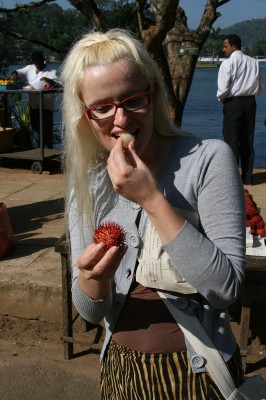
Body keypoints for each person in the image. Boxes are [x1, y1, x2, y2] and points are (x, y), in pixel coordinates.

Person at [61, 29, 246, 399]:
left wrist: (151, 198)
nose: (121, 119)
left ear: (154, 93)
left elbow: (226, 289)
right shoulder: (88, 182)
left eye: (133, 100)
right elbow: (90, 313)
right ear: (84, 115)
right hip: (120, 371)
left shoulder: (208, 160)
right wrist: (93, 279)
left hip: (199, 373)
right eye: (102, 107)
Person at [217, 34, 264, 185]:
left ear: (233, 46)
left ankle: (232, 178)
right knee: (247, 140)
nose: (224, 49)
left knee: (231, 140)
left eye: (225, 46)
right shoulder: (254, 62)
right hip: (250, 103)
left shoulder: (227, 64)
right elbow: (260, 86)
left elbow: (223, 89)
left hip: (233, 103)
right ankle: (248, 177)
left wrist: (224, 100)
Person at [11, 51, 61, 149]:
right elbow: (19, 72)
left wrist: (49, 80)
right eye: (35, 62)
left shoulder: (51, 71)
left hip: (46, 106)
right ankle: (37, 152)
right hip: (34, 105)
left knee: (46, 132)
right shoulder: (29, 69)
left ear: (43, 60)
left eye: (39, 62)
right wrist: (14, 74)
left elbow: (59, 85)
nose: (37, 64)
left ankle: (48, 154)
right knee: (35, 131)